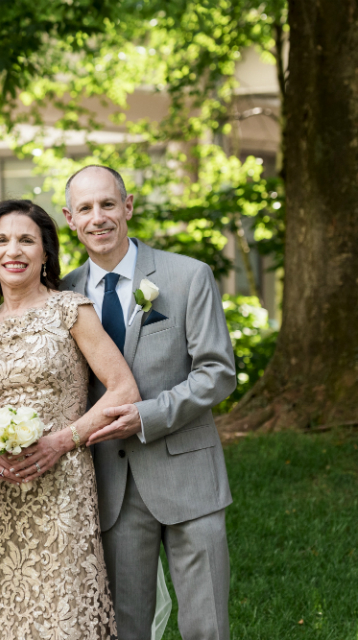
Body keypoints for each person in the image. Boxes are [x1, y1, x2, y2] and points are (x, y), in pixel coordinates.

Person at [60, 165, 236, 640]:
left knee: (207, 625)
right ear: (69, 219)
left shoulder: (187, 276)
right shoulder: (60, 295)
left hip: (189, 474)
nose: (98, 217)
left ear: (128, 206)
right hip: (109, 485)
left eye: (108, 204)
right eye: (86, 209)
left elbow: (217, 373)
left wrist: (148, 416)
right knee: (125, 628)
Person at [0, 199, 141, 640]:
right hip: (2, 490)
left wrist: (63, 440)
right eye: (1, 240)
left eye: (26, 240)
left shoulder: (70, 310)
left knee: (66, 613)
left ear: (44, 253)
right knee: (10, 614)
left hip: (64, 485)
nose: (13, 250)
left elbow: (123, 389)